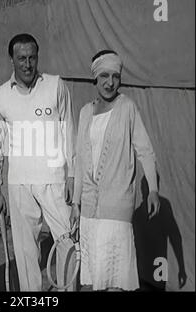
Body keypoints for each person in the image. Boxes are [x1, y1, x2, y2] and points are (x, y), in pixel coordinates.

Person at [0, 34, 77, 291]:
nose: (27, 64)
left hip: (55, 180)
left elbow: (68, 131)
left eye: (32, 58)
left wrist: (72, 176)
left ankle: (66, 289)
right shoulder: (0, 95)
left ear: (38, 57)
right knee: (26, 253)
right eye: (21, 59)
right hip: (19, 184)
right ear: (12, 60)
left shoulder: (55, 85)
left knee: (68, 242)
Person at [72, 50, 160, 291]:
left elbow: (145, 151)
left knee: (115, 280)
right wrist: (75, 201)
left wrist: (153, 190)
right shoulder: (84, 112)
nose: (110, 82)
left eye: (115, 76)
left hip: (117, 206)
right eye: (104, 76)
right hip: (88, 209)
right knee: (94, 279)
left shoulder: (128, 108)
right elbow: (80, 160)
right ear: (95, 78)